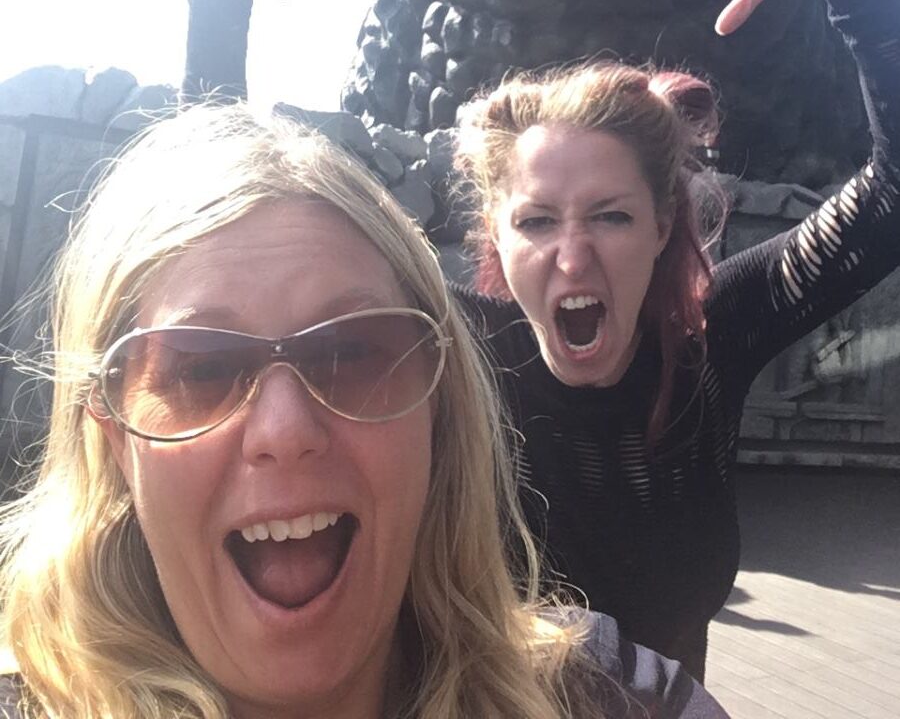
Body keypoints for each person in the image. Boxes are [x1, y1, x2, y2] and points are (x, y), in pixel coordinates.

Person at [178, 0, 898, 680]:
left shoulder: (713, 336)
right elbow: (228, 222)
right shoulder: (450, 347)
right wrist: (217, 1)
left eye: (611, 217)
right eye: (538, 222)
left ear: (663, 224)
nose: (573, 257)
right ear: (497, 236)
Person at [0, 105, 729, 718]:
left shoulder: (606, 695)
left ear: (439, 408)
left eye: (350, 352)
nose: (285, 431)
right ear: (114, 436)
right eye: (202, 369)